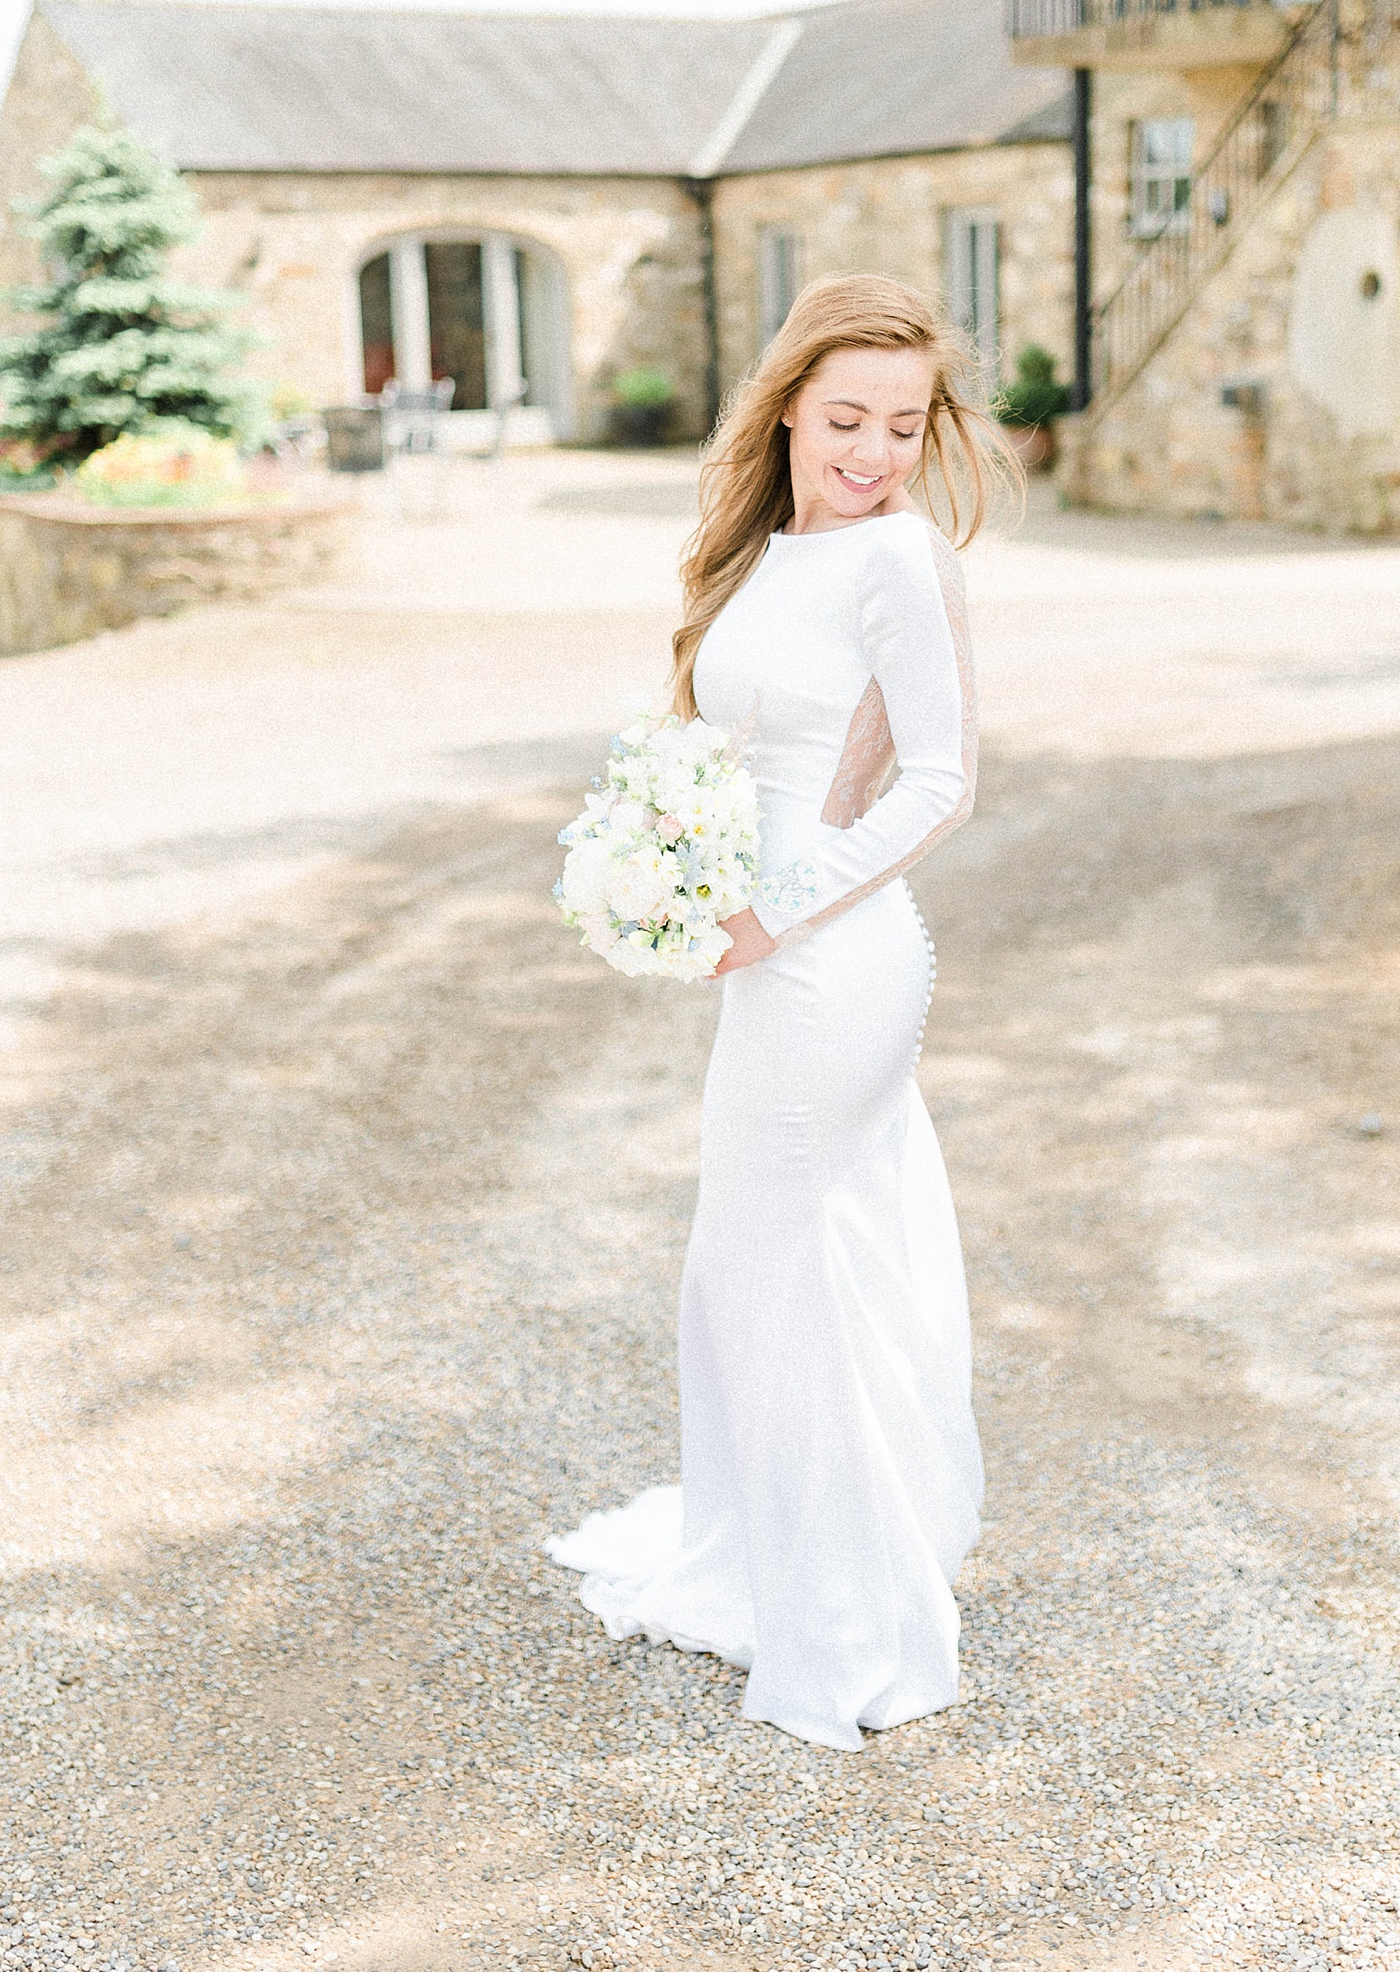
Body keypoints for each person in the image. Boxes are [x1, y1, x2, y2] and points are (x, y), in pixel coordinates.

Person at [548, 275, 1014, 1751]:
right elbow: (729, 748)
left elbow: (940, 781)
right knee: (763, 1266)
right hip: (770, 953)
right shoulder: (768, 546)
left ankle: (844, 1620)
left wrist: (767, 906)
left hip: (832, 956)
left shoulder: (897, 554)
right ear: (791, 412)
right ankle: (783, 1558)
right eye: (844, 420)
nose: (873, 450)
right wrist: (666, 864)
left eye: (902, 423)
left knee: (777, 1267)